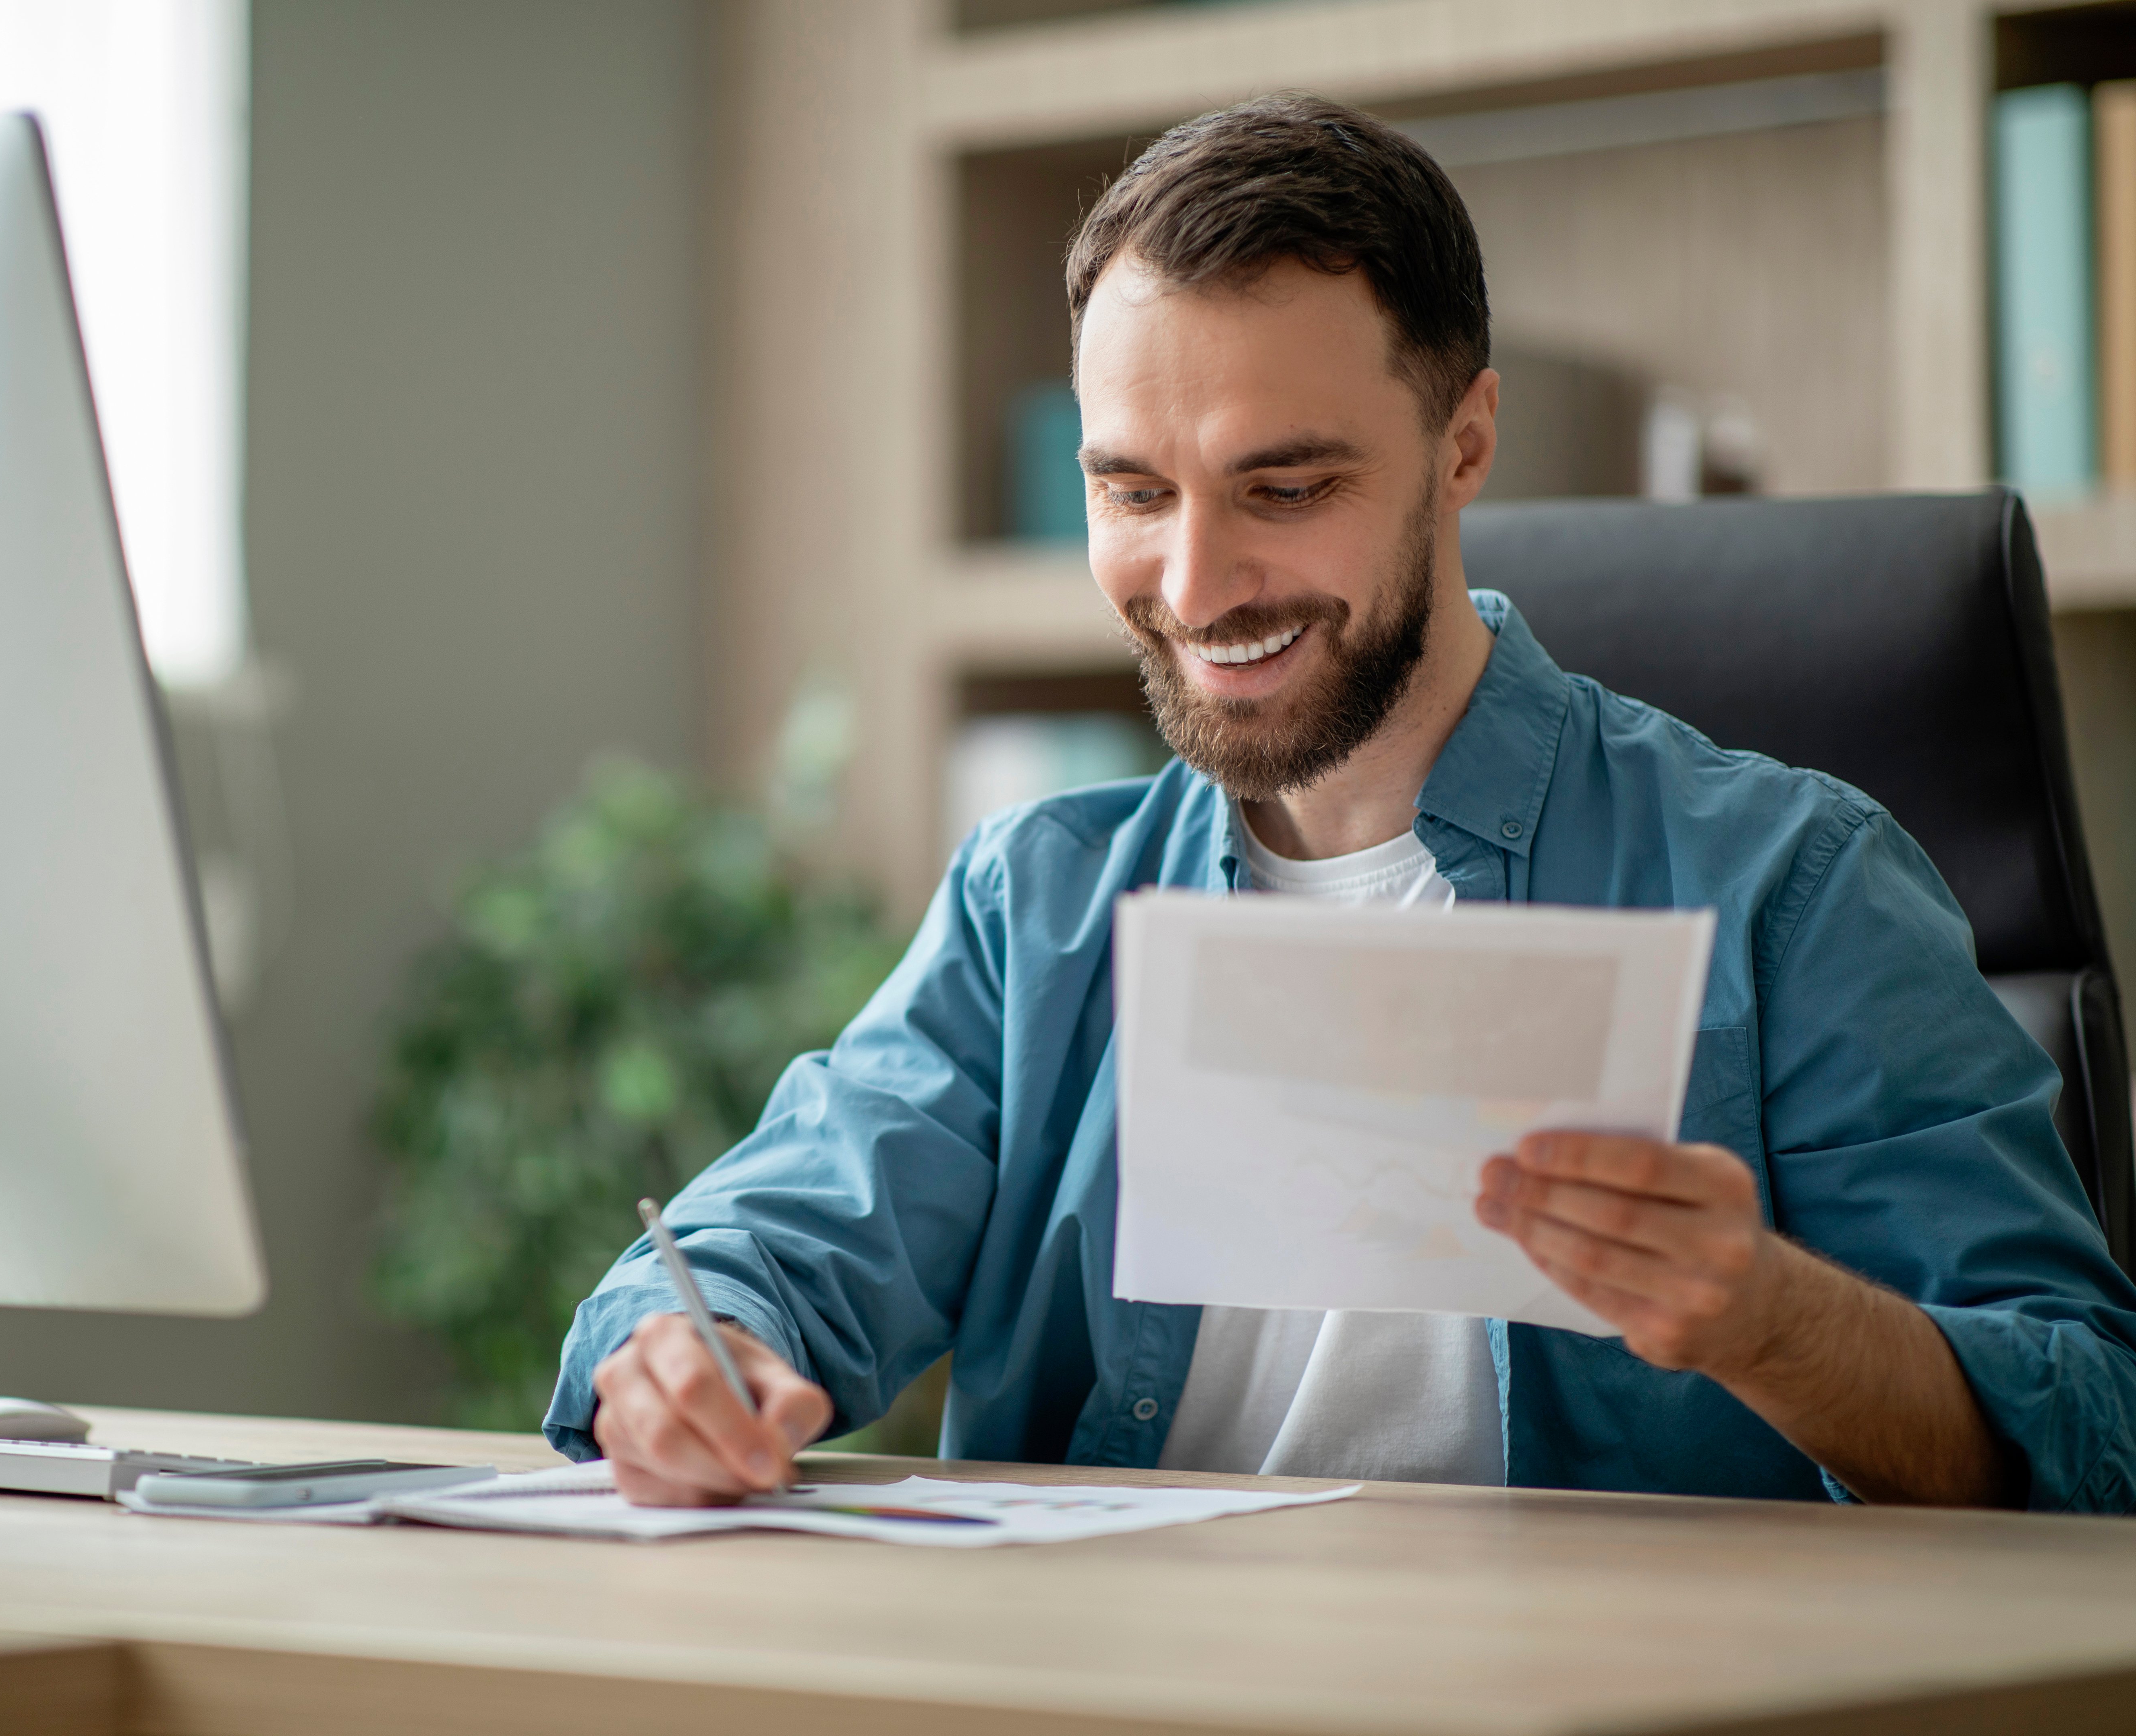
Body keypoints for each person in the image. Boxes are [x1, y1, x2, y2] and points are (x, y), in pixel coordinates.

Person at [546, 94, 2136, 1512]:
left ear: (1467, 444)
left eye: (1285, 489)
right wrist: (690, 1349)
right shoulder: (1036, 905)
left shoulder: (1791, 883)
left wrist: (1771, 1318)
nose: (1193, 583)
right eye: (1132, 490)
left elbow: (2096, 1433)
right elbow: (756, 1251)